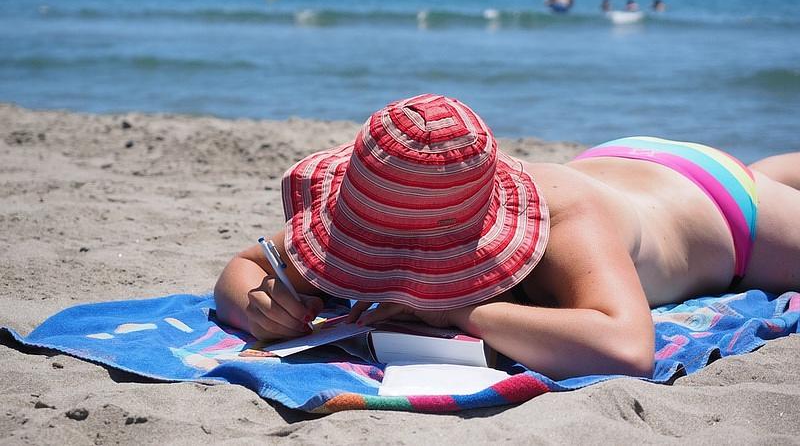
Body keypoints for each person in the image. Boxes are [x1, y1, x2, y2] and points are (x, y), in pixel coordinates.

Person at [214, 94, 800, 380]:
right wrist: (258, 304)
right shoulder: (384, 200)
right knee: (773, 170)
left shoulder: (565, 219)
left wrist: (461, 313)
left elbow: (626, 349)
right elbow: (246, 264)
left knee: (759, 184)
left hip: (721, 211)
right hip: (621, 163)